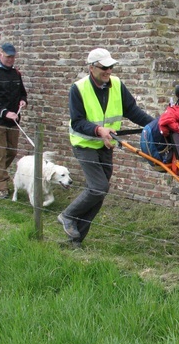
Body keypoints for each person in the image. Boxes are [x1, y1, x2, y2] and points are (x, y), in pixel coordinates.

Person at [58, 48, 154, 248]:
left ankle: (75, 240)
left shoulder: (117, 84)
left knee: (99, 194)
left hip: (106, 145)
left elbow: (132, 111)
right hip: (84, 144)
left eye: (111, 67)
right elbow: (77, 122)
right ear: (91, 68)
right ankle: (67, 215)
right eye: (104, 67)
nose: (108, 71)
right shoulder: (78, 88)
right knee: (98, 187)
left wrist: (155, 125)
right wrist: (99, 130)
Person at [0, 43, 28, 198]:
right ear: (1, 54)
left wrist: (23, 101)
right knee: (1, 153)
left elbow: (22, 93)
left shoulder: (16, 74)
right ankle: (2, 185)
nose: (11, 59)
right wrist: (4, 112)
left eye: (13, 56)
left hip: (14, 119)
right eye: (8, 56)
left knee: (12, 151)